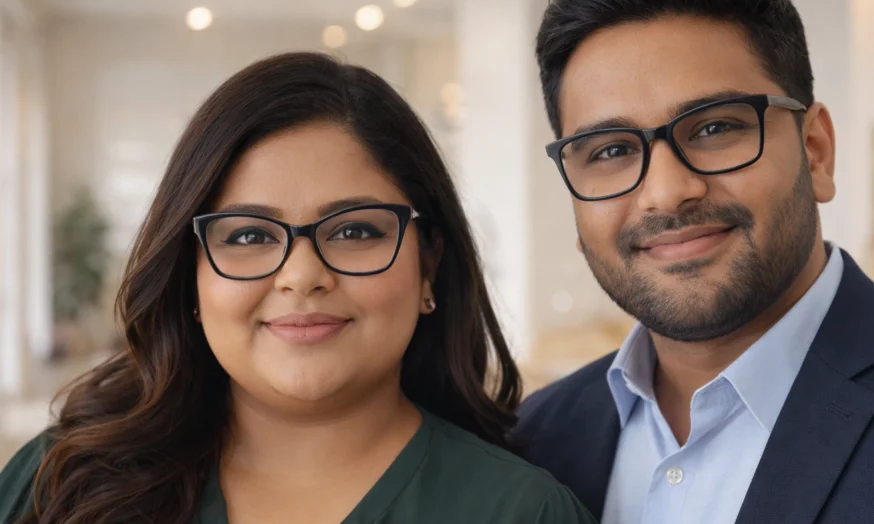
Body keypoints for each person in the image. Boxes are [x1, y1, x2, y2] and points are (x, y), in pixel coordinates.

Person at [512, 0, 874, 523]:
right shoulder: (534, 444)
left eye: (715, 127)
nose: (666, 191)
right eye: (610, 151)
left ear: (816, 151)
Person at [0, 52, 595, 524]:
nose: (303, 275)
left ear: (429, 266)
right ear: (191, 275)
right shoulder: (60, 481)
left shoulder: (519, 511)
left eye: (356, 230)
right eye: (250, 236)